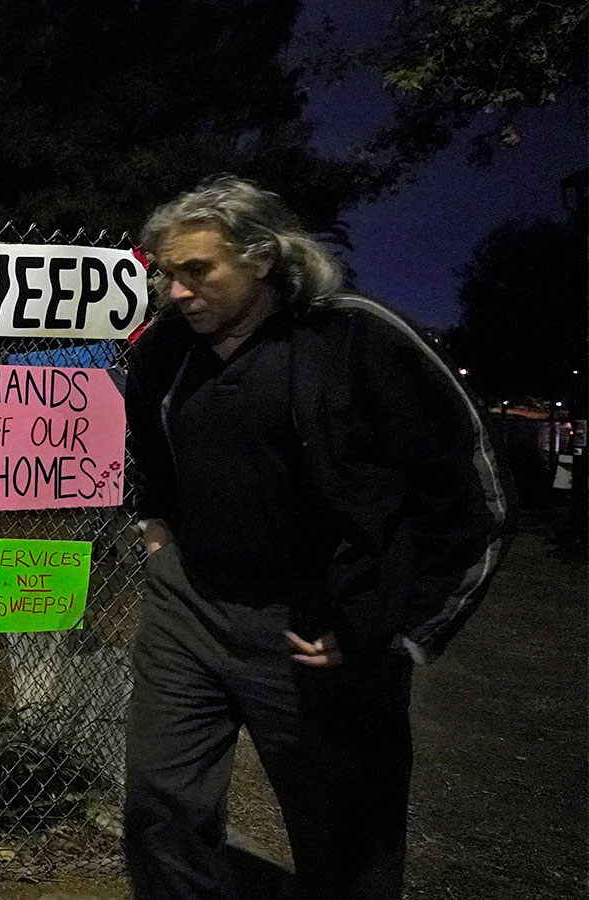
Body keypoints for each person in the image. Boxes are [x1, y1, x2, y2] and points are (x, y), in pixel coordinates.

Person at [122, 175, 508, 899]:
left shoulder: (356, 338)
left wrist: (393, 625)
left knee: (343, 833)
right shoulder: (166, 350)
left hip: (318, 625)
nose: (176, 291)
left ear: (262, 256)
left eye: (197, 270)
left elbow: (470, 497)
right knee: (161, 802)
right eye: (167, 274)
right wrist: (153, 527)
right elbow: (147, 445)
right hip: (190, 608)